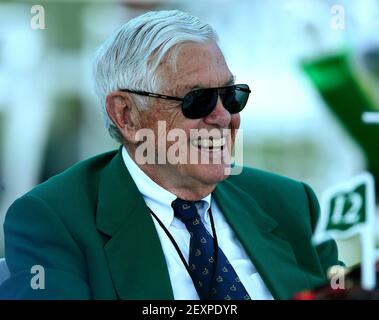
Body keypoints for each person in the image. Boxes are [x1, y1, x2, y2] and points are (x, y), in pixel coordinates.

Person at [0, 10, 342, 300]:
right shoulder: (53, 221)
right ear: (126, 115)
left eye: (231, 96)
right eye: (198, 100)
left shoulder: (290, 203)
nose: (224, 117)